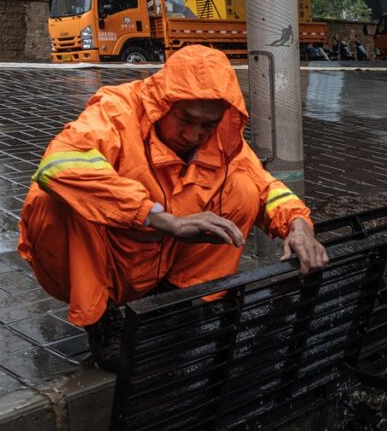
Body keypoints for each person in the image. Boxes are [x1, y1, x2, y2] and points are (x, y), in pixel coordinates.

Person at [18, 45, 329, 371]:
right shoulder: (117, 111)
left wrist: (298, 225)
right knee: (53, 199)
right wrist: (161, 219)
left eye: (207, 125)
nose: (194, 134)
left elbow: (265, 187)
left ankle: (176, 301)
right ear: (162, 104)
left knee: (243, 189)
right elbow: (59, 166)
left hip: (157, 263)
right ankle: (103, 324)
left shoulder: (220, 139)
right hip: (102, 263)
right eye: (184, 119)